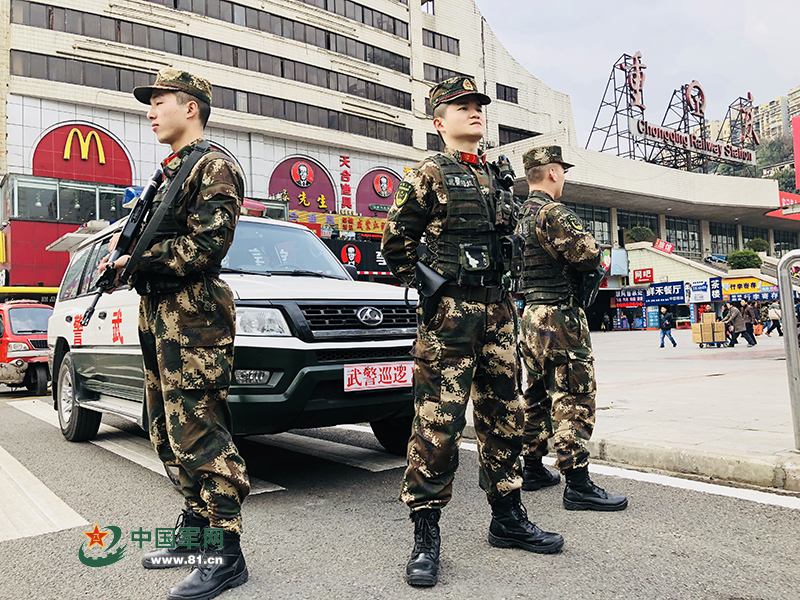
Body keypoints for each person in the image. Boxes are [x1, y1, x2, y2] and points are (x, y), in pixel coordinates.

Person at [381, 77, 563, 588]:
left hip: (499, 313)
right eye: (462, 107)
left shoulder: (497, 176)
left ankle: (507, 518)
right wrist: (432, 291)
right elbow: (397, 243)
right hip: (451, 316)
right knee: (438, 424)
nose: (474, 113)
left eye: (478, 106)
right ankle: (425, 534)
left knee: (504, 415)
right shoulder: (428, 173)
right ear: (439, 122)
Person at [99, 68, 250, 600]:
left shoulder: (213, 166)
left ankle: (227, 553)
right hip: (159, 309)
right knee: (165, 426)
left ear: (191, 108)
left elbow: (208, 246)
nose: (150, 111)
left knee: (199, 429)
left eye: (159, 101)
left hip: (194, 311)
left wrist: (137, 259)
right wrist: (122, 262)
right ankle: (196, 531)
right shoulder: (171, 171)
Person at [515, 145, 627, 512]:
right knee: (573, 394)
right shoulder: (554, 213)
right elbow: (589, 256)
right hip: (560, 316)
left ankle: (531, 467)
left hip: (529, 315)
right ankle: (577, 484)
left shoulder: (521, 215)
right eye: (561, 170)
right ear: (552, 173)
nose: (563, 176)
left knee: (536, 394)